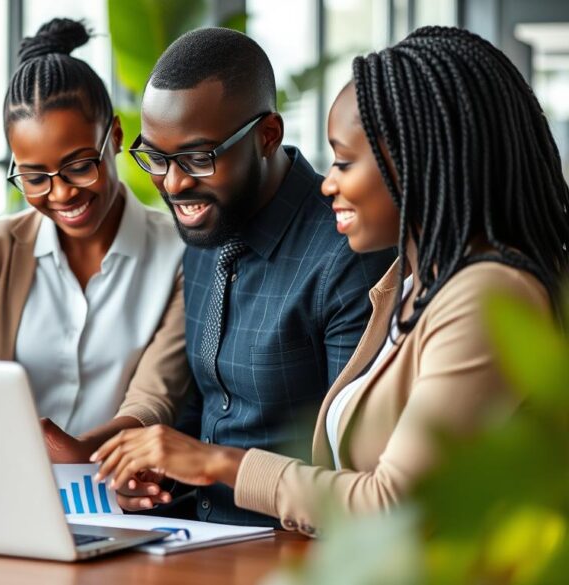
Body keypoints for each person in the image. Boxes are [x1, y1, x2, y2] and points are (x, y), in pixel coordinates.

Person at [93, 26, 568, 536]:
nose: (328, 182)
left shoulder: (484, 295)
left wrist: (218, 463)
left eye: (343, 161)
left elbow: (392, 505)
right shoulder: (409, 287)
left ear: (418, 163)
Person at [95, 27, 396, 526]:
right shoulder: (206, 227)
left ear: (267, 136)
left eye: (197, 157)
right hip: (192, 534)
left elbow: (352, 474)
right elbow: (207, 410)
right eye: (156, 157)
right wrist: (153, 473)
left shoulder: (350, 252)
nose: (173, 183)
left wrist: (210, 465)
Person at [0, 19, 190, 462]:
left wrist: (80, 454)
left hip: (118, 486)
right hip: (4, 480)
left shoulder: (179, 253)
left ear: (114, 137)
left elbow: (155, 399)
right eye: (35, 177)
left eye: (80, 166)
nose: (61, 194)